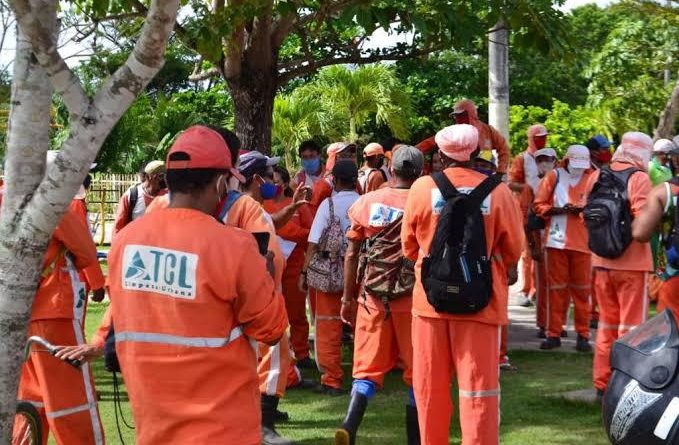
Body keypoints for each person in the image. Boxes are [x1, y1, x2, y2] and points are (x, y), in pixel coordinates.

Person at [108, 125, 288, 445]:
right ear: (220, 183)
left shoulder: (124, 244)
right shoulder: (235, 247)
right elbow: (271, 330)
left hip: (154, 426)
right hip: (223, 429)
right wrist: (266, 275)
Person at [402, 124, 523, 445]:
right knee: (479, 391)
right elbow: (514, 249)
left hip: (430, 304)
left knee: (430, 388)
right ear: (475, 153)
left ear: (440, 156)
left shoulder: (422, 188)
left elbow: (409, 247)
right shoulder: (498, 192)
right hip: (481, 303)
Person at [7, 152, 106, 444]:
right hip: (54, 310)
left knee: (31, 396)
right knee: (72, 400)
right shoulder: (53, 204)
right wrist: (96, 282)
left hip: (18, 312)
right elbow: (86, 250)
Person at [335, 146, 424, 445]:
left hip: (372, 298)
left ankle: (349, 425)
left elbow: (352, 254)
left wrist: (347, 298)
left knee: (365, 370)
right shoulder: (426, 201)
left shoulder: (367, 202)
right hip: (413, 299)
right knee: (417, 371)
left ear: (392, 170)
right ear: (420, 172)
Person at [586, 131, 653, 398]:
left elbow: (586, 215)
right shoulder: (639, 178)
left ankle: (602, 384)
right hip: (632, 264)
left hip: (601, 262)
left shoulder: (596, 176)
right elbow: (643, 221)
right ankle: (625, 385)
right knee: (633, 328)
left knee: (606, 325)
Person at [300, 160, 361, 395]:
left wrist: (304, 272)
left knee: (327, 326)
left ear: (334, 180)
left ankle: (332, 380)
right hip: (359, 273)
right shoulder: (364, 203)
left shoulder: (328, 205)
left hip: (330, 275)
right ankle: (363, 378)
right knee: (362, 326)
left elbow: (313, 243)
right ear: (355, 181)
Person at [533, 145, 594, 352]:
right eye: (575, 164)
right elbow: (538, 205)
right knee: (556, 291)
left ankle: (583, 335)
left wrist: (583, 210)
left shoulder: (592, 178)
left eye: (582, 165)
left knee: (582, 292)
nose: (578, 168)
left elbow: (599, 207)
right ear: (566, 160)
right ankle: (554, 334)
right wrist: (561, 210)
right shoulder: (554, 176)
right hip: (556, 242)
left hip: (583, 244)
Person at [265, 166, 315, 369]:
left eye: (276, 181)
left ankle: (301, 353)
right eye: (270, 181)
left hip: (294, 267)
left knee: (297, 313)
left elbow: (311, 235)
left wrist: (287, 231)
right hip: (268, 268)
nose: (272, 184)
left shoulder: (297, 205)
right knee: (270, 312)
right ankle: (274, 356)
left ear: (285, 183)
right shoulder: (261, 204)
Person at [633, 143, 679, 322]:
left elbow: (640, 233)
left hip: (674, 272)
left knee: (671, 327)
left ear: (675, 160)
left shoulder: (664, 191)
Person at [509, 124, 550, 307]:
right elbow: (511, 182)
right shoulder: (522, 159)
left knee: (543, 250)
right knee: (528, 251)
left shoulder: (550, 157)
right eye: (539, 137)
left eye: (544, 137)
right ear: (532, 139)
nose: (543, 140)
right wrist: (527, 189)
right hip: (528, 210)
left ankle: (538, 288)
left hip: (546, 209)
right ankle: (526, 290)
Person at [415, 99, 510, 175]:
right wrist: (417, 160)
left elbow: (504, 149)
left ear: (471, 113)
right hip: (458, 175)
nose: (458, 118)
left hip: (485, 176)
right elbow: (427, 144)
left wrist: (500, 171)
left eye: (461, 115)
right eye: (456, 115)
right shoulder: (453, 132)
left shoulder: (489, 130)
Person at [527, 148, 558, 339]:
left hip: (561, 238)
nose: (544, 163)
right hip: (540, 236)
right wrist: (533, 246)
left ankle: (557, 323)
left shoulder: (561, 182)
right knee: (543, 284)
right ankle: (543, 323)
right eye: (540, 160)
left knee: (560, 285)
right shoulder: (532, 186)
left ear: (555, 161)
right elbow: (529, 219)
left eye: (548, 159)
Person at [112, 160, 167, 235]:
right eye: (160, 176)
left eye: (165, 176)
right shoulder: (132, 195)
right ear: (148, 177)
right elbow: (118, 228)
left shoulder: (168, 196)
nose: (163, 180)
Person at [308, 142, 358, 213]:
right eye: (345, 156)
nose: (350, 159)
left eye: (352, 155)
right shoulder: (324, 185)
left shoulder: (355, 181)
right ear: (333, 158)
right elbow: (312, 212)